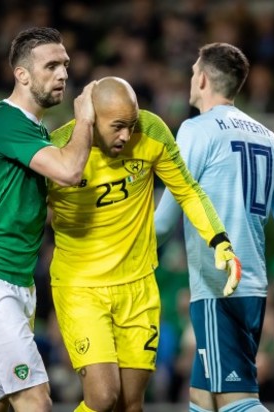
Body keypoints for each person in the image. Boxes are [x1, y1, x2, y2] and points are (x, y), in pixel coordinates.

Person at [154, 42, 274, 412]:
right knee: (204, 400)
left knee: (238, 403)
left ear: (202, 79)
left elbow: (164, 220)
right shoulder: (272, 140)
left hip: (219, 288)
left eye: (191, 73)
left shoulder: (195, 131)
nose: (190, 79)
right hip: (253, 287)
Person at [47, 76, 241, 412]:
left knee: (130, 404)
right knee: (102, 397)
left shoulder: (150, 131)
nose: (127, 134)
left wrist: (219, 240)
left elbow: (187, 190)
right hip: (82, 289)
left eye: (132, 124)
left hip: (138, 287)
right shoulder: (57, 150)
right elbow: (17, 213)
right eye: (118, 126)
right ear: (91, 118)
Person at [0, 27, 96, 412]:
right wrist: (86, 119)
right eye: (51, 66)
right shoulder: (4, 118)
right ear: (22, 74)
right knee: (35, 400)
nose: (62, 74)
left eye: (65, 65)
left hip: (11, 283)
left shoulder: (33, 131)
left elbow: (11, 206)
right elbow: (69, 171)